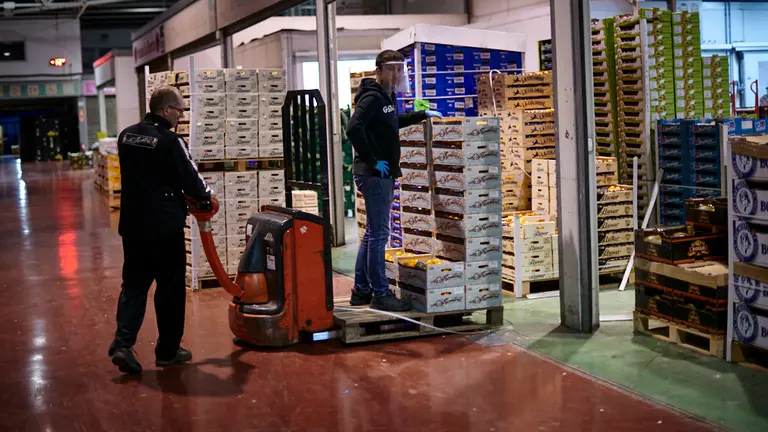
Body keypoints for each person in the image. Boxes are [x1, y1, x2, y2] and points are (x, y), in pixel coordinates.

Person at [108, 85, 216, 375]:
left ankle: (122, 344)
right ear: (166, 110)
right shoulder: (170, 140)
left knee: (133, 286)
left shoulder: (126, 136)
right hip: (164, 226)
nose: (180, 116)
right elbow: (192, 180)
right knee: (169, 289)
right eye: (179, 111)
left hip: (132, 226)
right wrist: (207, 195)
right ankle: (168, 350)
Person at [346, 50, 443, 311]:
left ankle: (361, 291)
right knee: (379, 235)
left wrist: (422, 115)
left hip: (382, 173)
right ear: (379, 70)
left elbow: (391, 122)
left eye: (400, 69)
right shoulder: (372, 97)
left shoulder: (389, 96)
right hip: (375, 174)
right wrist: (371, 159)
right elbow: (353, 128)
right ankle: (380, 293)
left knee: (372, 234)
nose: (397, 74)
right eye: (392, 69)